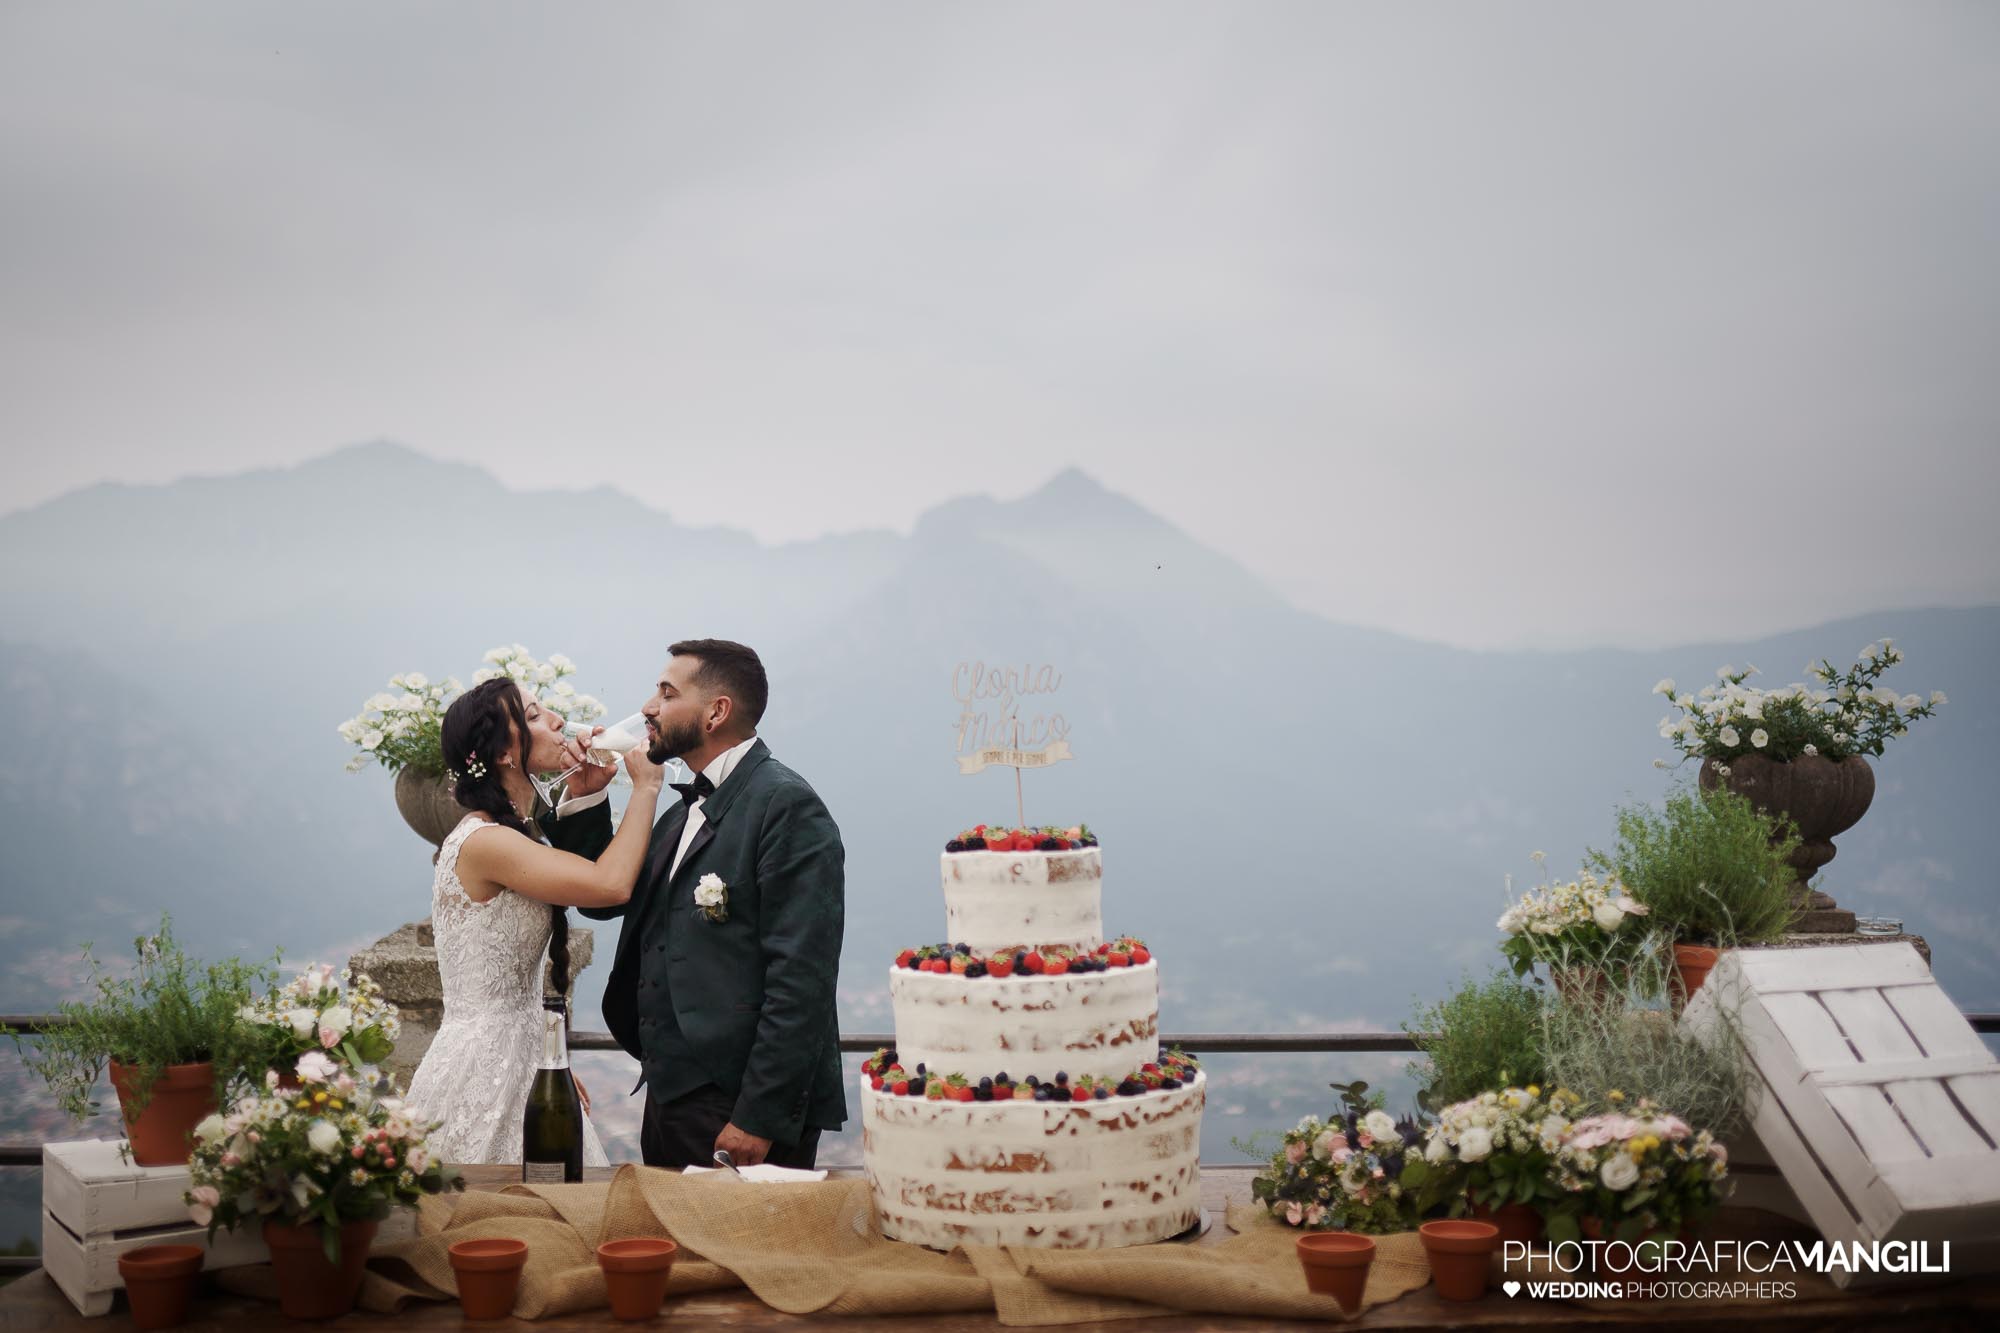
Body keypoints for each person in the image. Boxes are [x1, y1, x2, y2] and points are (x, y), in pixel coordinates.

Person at [547, 639, 846, 1169]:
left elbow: (802, 976)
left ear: (717, 712)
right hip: (669, 1094)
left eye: (666, 693)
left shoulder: (787, 806)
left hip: (739, 1105)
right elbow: (603, 898)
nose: (647, 708)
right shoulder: (680, 813)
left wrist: (759, 1116)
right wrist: (592, 797)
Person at [403, 676, 664, 1165]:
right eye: (536, 714)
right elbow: (610, 885)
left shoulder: (509, 833)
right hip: (484, 1070)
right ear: (505, 752)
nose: (559, 721)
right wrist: (645, 788)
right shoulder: (487, 842)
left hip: (525, 1058)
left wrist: (584, 793)